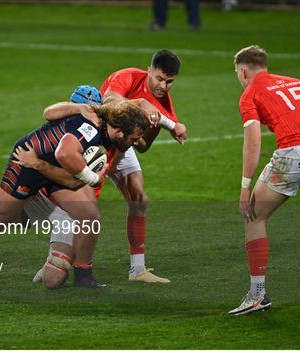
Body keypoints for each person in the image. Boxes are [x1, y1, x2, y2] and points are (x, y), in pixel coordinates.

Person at [0, 99, 149, 293]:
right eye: (134, 138)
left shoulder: (109, 124)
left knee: (90, 216)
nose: (136, 142)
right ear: (120, 132)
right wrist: (91, 177)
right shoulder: (92, 130)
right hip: (27, 163)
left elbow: (70, 175)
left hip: (54, 168)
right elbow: (64, 153)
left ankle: (83, 276)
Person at [30, 50, 188, 285]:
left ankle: (137, 269)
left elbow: (142, 146)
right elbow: (111, 103)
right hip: (100, 142)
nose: (164, 86)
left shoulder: (164, 101)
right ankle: (51, 250)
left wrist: (156, 125)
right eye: (160, 78)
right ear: (150, 70)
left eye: (169, 82)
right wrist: (156, 114)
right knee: (81, 205)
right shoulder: (127, 77)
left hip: (124, 145)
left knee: (139, 199)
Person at [228, 45, 300, 316]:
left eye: (238, 73)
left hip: (295, 153)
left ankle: (257, 296)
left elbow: (254, 142)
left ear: (243, 71)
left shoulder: (250, 92)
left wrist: (245, 187)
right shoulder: (298, 82)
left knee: (254, 216)